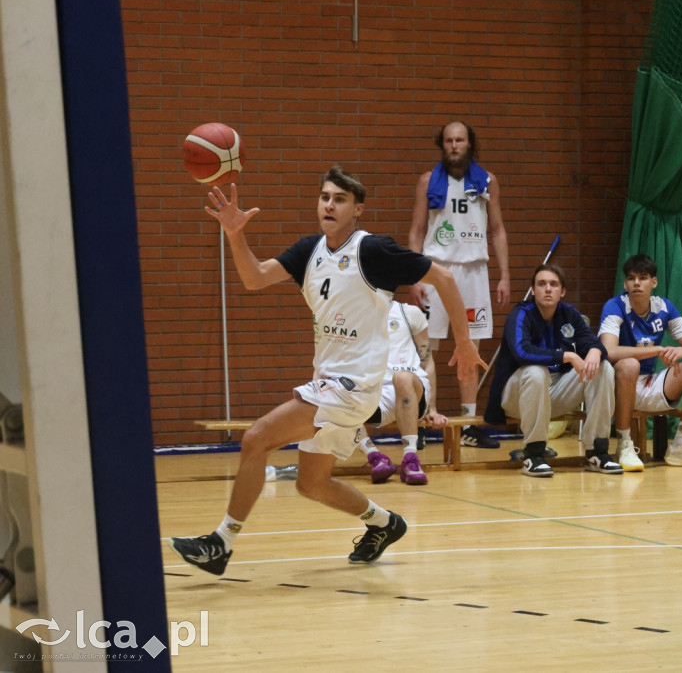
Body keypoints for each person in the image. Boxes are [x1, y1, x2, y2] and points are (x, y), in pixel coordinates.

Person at [169, 166, 485, 575]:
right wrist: (234, 232)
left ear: (358, 210)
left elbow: (442, 276)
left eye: (339, 199)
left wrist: (463, 341)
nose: (329, 205)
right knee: (311, 483)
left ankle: (221, 543)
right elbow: (254, 278)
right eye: (324, 197)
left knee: (256, 438)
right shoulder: (309, 252)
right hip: (329, 383)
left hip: (353, 387)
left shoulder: (373, 250)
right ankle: (384, 523)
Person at [409, 121, 510, 450]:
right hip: (435, 271)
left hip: (474, 273)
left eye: (460, 140)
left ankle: (468, 424)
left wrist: (505, 275)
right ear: (443, 144)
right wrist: (415, 275)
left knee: (471, 350)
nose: (454, 145)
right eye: (449, 140)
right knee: (427, 349)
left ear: (470, 144)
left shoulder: (487, 181)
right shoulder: (427, 181)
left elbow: (497, 230)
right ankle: (423, 419)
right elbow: (416, 231)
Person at [484, 263, 621, 477]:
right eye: (542, 284)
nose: (548, 288)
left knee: (604, 369)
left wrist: (595, 350)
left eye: (553, 284)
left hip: (554, 393)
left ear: (562, 291)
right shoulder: (520, 314)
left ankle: (597, 452)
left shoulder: (569, 314)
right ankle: (533, 455)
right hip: (516, 395)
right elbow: (522, 351)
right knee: (536, 371)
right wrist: (566, 355)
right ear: (534, 289)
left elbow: (592, 342)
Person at [598, 254, 682, 470]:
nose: (636, 283)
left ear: (654, 282)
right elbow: (609, 351)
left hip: (650, 383)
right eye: (631, 278)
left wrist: (680, 350)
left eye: (643, 278)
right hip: (617, 386)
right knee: (629, 364)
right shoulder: (614, 306)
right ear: (625, 283)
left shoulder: (665, 307)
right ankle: (624, 445)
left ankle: (681, 444)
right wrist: (656, 350)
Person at [353, 300, 448, 486]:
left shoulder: (409, 312)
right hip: (379, 394)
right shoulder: (355, 314)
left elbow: (427, 361)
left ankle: (410, 459)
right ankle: (375, 457)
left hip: (413, 387)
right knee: (336, 397)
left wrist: (433, 408)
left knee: (402, 378)